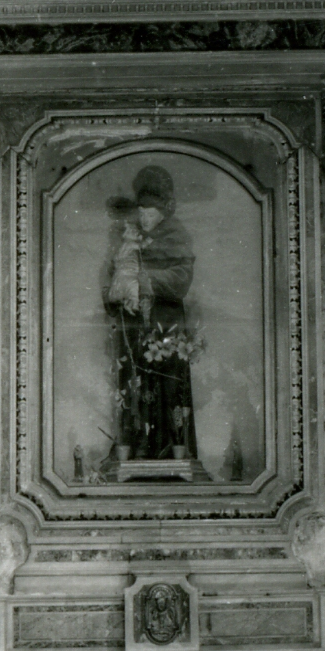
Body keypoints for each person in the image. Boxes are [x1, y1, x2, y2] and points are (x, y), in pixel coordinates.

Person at [105, 165, 199, 463]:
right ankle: (135, 451)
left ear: (163, 212)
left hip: (165, 323)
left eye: (150, 211)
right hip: (133, 326)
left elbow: (182, 278)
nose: (144, 217)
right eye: (141, 211)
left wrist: (146, 282)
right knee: (134, 383)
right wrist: (120, 298)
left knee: (167, 387)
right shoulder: (130, 239)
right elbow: (112, 279)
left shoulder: (176, 236)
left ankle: (171, 452)